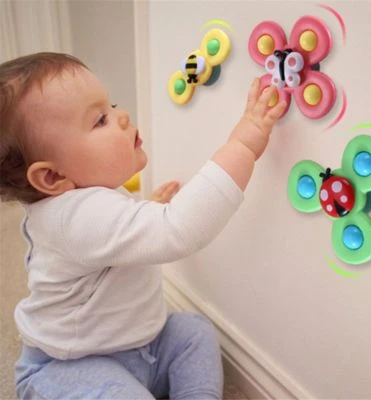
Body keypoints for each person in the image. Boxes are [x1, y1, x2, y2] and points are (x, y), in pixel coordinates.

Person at [0, 52, 286, 399]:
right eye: (100, 120)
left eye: (112, 106)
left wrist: (147, 208)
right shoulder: (70, 217)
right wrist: (242, 146)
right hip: (68, 365)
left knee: (194, 332)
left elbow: (111, 236)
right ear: (52, 177)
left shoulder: (86, 200)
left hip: (139, 347)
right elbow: (178, 230)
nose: (122, 116)